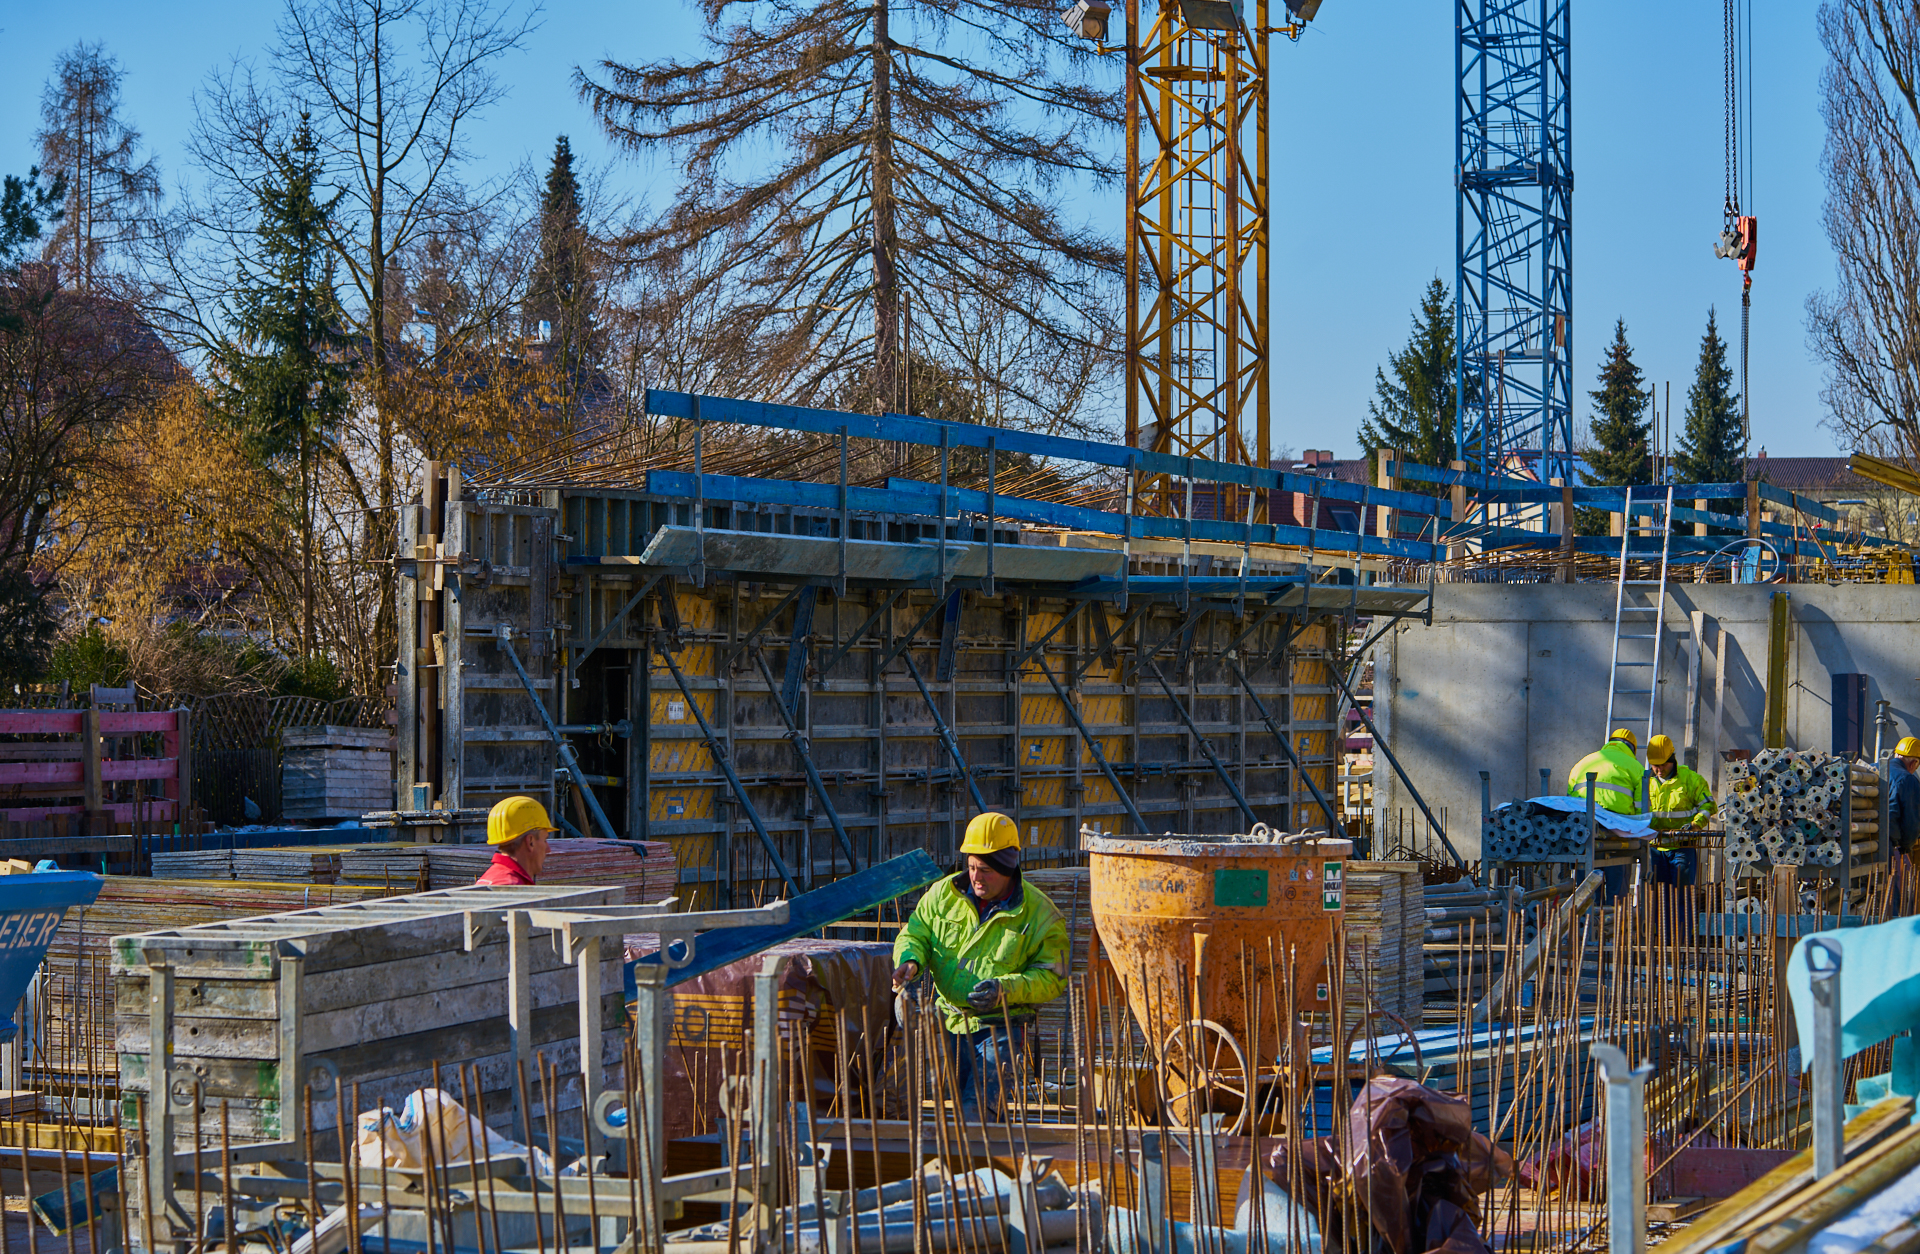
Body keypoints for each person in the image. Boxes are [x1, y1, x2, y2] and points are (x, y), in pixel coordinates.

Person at [890, 812, 1068, 1120]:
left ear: (1007, 869)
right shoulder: (944, 895)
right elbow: (915, 933)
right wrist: (909, 960)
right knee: (948, 1115)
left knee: (977, 1115)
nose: (976, 877)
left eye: (985, 870)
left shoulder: (1040, 914)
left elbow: (1052, 978)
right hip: (948, 1022)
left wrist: (1004, 989)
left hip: (1000, 1029)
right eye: (972, 867)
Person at [1645, 734, 1716, 887]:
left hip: (1683, 846)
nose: (1659, 770)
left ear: (1672, 760)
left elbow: (1708, 806)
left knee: (1682, 893)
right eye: (1655, 765)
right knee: (1657, 894)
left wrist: (1696, 824)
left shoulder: (1691, 779)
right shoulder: (1645, 782)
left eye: (1663, 765)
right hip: (1655, 846)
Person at [1566, 728, 1647, 816]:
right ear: (1632, 749)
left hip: (1581, 815)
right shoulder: (1637, 767)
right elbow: (1642, 808)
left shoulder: (1581, 763)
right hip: (1619, 819)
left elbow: (1569, 800)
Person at [476, 796, 554, 886]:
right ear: (530, 842)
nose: (548, 849)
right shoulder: (512, 887)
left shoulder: (494, 878)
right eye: (544, 840)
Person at [1891, 737, 1920, 857]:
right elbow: (1911, 821)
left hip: (1857, 839)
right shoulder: (1908, 779)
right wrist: (1906, 846)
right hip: (1884, 843)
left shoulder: (1871, 768)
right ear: (1914, 763)